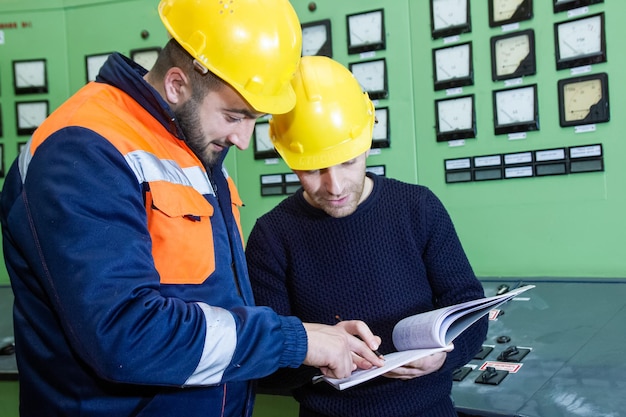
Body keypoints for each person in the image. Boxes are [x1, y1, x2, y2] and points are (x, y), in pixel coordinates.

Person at [0, 2, 384, 416]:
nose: (242, 138)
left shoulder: (192, 151)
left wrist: (309, 338)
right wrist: (294, 340)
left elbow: (217, 311)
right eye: (235, 115)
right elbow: (124, 336)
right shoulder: (82, 149)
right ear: (178, 85)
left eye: (254, 118)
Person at [245, 55, 489, 417]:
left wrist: (445, 354)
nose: (335, 186)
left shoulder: (417, 207)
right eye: (313, 170)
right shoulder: (272, 236)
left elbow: (469, 305)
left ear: (367, 142)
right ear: (289, 159)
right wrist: (315, 350)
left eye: (347, 161)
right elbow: (264, 367)